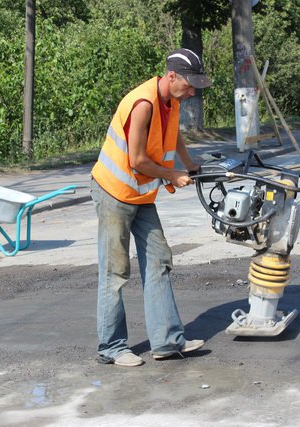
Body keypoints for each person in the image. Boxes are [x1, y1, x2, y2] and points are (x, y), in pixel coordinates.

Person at [89, 48, 211, 367]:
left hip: (140, 194)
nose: (193, 90)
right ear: (172, 76)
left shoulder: (171, 100)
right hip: (114, 193)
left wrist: (190, 164)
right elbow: (137, 159)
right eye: (189, 83)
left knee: (159, 260)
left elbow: (174, 135)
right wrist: (173, 174)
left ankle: (167, 341)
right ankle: (111, 347)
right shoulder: (143, 104)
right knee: (115, 272)